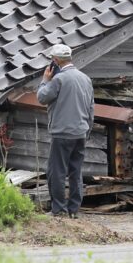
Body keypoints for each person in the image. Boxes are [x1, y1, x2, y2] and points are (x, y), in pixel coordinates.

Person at [36, 43, 94, 218]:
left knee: (57, 171)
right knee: (76, 172)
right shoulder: (85, 79)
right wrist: (87, 130)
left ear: (55, 61)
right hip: (81, 132)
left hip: (62, 133)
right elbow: (91, 108)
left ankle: (59, 210)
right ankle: (74, 210)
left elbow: (42, 97)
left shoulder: (58, 80)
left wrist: (45, 80)